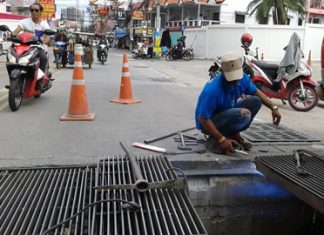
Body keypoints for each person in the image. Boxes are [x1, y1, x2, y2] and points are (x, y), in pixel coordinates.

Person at [195, 52, 281, 153]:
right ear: (222, 72)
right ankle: (215, 139)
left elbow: (256, 92)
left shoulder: (242, 78)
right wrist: (221, 139)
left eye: (237, 78)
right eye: (231, 79)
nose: (235, 82)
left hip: (226, 113)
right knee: (243, 114)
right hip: (207, 123)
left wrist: (273, 107)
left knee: (255, 101)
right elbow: (203, 118)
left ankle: (232, 134)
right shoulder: (212, 90)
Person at [12, 3, 52, 88]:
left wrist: (43, 41)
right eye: (32, 10)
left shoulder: (44, 25)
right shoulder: (24, 22)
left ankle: (40, 81)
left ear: (40, 12)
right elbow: (16, 32)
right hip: (24, 47)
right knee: (13, 55)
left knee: (43, 58)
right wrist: (11, 36)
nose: (34, 12)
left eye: (36, 10)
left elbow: (47, 38)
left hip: (38, 47)